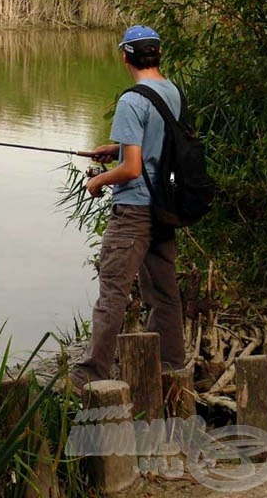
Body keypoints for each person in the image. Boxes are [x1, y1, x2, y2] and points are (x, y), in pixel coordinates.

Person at [68, 25, 185, 392]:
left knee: (112, 294)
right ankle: (170, 366)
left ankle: (91, 375)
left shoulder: (131, 100)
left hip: (133, 210)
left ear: (125, 56)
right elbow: (154, 149)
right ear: (157, 55)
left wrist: (97, 181)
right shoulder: (172, 92)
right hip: (164, 206)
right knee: (165, 293)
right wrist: (115, 149)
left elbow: (133, 169)